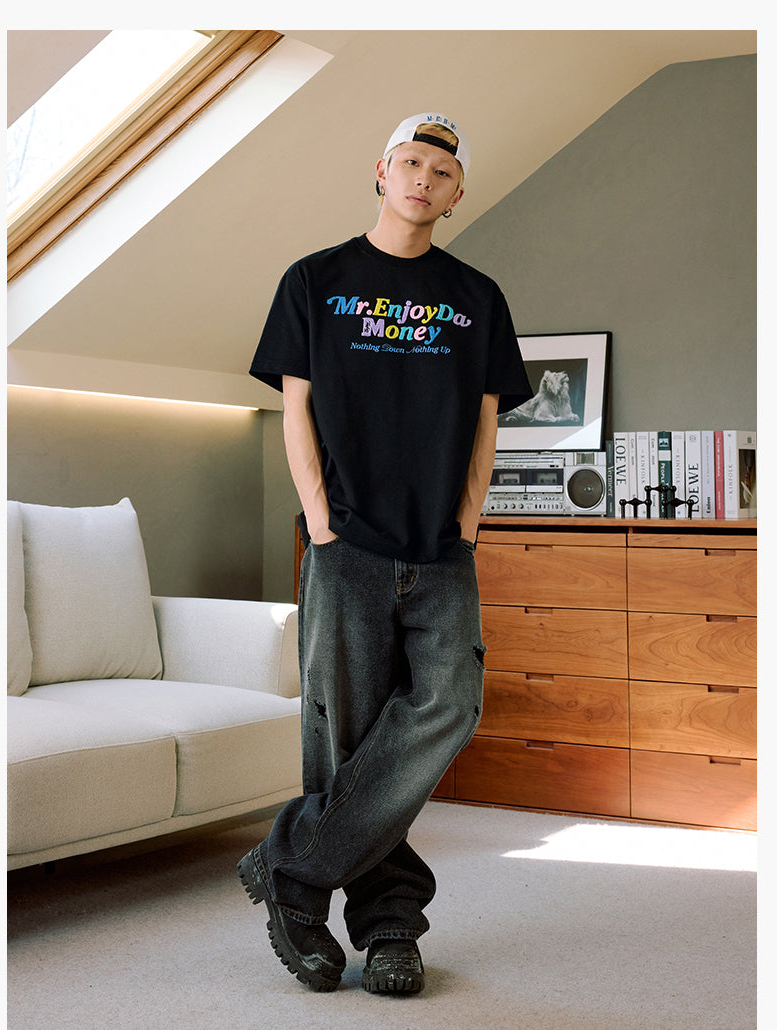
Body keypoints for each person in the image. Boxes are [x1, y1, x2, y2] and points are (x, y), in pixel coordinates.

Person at [239, 112, 532, 995]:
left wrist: (469, 522)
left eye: (441, 173)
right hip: (348, 543)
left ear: (457, 193)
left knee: (451, 705)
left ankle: (292, 869)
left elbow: (485, 420)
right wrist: (319, 520)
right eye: (410, 163)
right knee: (347, 735)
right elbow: (295, 406)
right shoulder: (315, 280)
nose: (422, 180)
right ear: (381, 170)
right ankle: (390, 927)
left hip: (442, 548)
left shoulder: (476, 295)